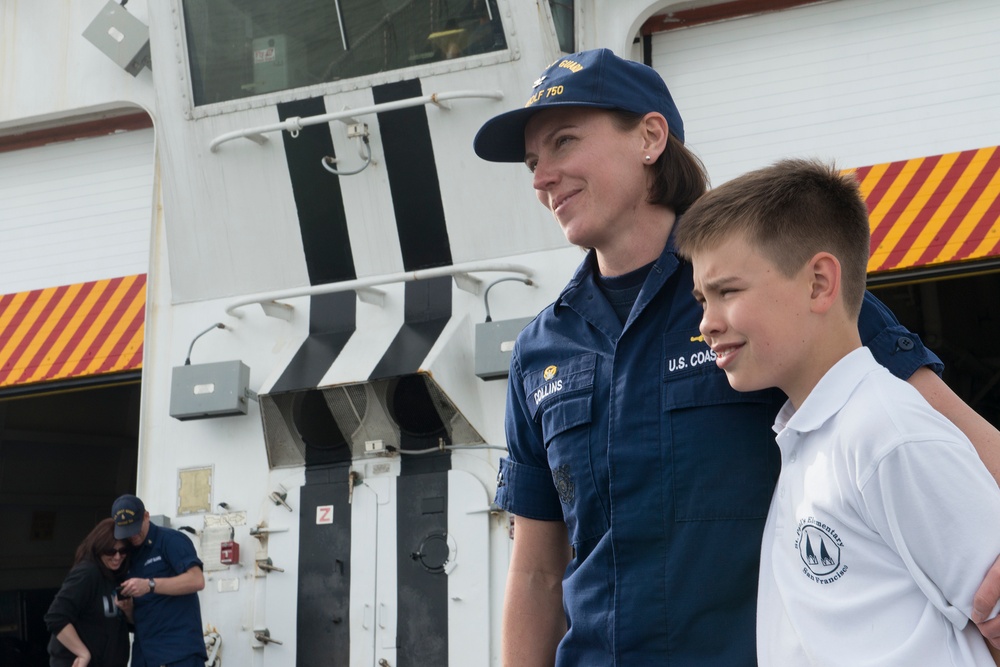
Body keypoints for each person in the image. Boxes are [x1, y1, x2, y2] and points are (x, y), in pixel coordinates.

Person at [472, 48, 1000, 665]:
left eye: (563, 143)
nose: (541, 177)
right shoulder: (541, 350)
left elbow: (948, 431)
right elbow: (535, 570)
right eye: (534, 162)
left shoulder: (770, 288)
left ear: (649, 137)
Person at [674, 157, 1000, 665]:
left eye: (728, 292)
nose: (707, 323)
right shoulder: (811, 438)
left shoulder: (886, 433)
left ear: (820, 283)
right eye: (700, 299)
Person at [111, 494, 208, 667]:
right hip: (145, 655)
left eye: (135, 527)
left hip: (178, 653)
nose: (132, 535)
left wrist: (150, 585)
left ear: (147, 516)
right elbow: (143, 615)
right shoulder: (128, 553)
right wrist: (128, 610)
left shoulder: (171, 540)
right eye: (126, 531)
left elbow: (196, 580)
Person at [44, 518, 132, 667]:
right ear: (98, 548)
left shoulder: (119, 576)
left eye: (122, 551)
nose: (117, 557)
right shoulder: (87, 573)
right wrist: (83, 653)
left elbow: (127, 625)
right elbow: (56, 617)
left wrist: (128, 610)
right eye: (110, 551)